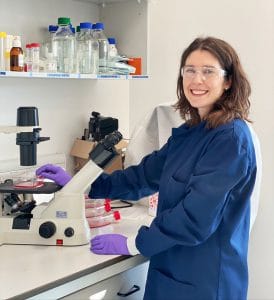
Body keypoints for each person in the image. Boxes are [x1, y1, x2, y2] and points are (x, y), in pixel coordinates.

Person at [36, 36, 257, 300]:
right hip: (172, 273)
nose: (197, 80)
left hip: (207, 280)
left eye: (208, 71)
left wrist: (134, 243)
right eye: (190, 71)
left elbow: (194, 219)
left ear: (228, 80)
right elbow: (140, 178)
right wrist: (80, 183)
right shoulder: (190, 132)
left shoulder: (230, 139)